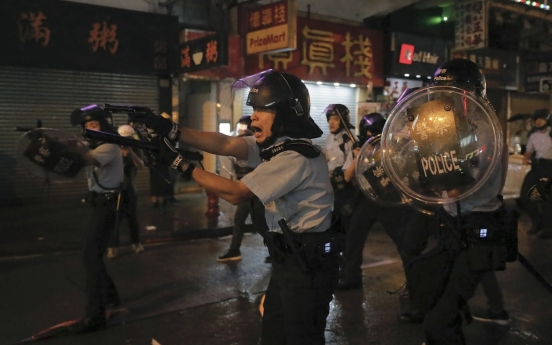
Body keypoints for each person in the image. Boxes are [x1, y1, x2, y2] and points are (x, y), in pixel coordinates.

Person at [141, 70, 342, 344]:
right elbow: (225, 143)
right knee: (273, 333)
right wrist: (172, 130)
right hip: (289, 260)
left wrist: (180, 164)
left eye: (262, 109)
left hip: (308, 266)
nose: (254, 115)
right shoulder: (277, 146)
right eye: (254, 108)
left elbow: (236, 193)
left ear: (285, 114)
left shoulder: (295, 156)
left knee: (301, 337)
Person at [397, 59, 516, 344]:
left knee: (440, 319)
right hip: (453, 227)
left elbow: (452, 189)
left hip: (478, 228)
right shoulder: (448, 126)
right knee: (433, 298)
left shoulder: (484, 132)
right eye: (441, 93)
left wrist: (432, 151)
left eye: (453, 92)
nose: (445, 99)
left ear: (471, 93)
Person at [337, 113, 413, 291]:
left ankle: (414, 280)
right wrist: (359, 157)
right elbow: (347, 177)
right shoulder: (360, 150)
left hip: (388, 199)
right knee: (354, 239)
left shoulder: (392, 148)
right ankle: (351, 276)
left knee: (404, 242)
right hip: (366, 199)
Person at [68, 104, 124, 333]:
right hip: (98, 204)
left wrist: (73, 146)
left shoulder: (109, 146)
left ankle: (95, 316)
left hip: (107, 206)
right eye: (87, 126)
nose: (90, 128)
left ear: (104, 125)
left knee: (90, 256)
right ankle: (111, 298)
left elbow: (87, 159)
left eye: (94, 124)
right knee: (93, 255)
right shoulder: (96, 146)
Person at [217, 116, 267, 262]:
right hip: (244, 186)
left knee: (261, 220)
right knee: (239, 219)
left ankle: (276, 250)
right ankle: (234, 249)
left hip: (257, 189)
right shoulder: (240, 145)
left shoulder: (259, 145)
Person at [106, 124, 145, 259]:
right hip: (114, 187)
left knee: (132, 217)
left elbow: (141, 165)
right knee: (114, 218)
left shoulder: (135, 148)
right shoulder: (113, 148)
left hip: (129, 187)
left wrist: (131, 153)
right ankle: (112, 246)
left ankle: (136, 243)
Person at [520, 108, 552, 238]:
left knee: (546, 201)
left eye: (541, 118)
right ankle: (536, 221)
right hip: (537, 167)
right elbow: (528, 152)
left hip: (550, 167)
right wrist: (525, 158)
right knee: (525, 196)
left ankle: (548, 229)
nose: (538, 122)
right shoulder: (533, 135)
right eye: (536, 119)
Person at [324, 104, 356, 226]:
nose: (331, 122)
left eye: (336, 119)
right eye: (330, 119)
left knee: (343, 223)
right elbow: (327, 156)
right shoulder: (330, 136)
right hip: (330, 186)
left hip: (344, 187)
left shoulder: (348, 139)